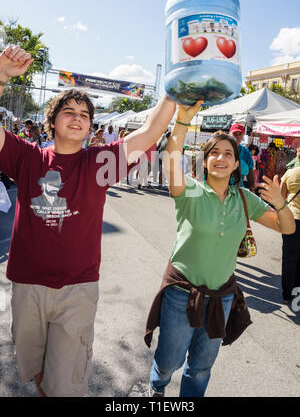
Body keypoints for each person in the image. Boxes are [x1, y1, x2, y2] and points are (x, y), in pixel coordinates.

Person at [0, 44, 177, 397]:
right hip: (27, 286)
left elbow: (150, 132)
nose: (78, 117)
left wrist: (174, 89)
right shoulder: (27, 157)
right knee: (37, 373)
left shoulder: (99, 164)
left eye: (85, 114)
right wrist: (3, 75)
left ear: (90, 126)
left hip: (77, 291)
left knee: (66, 385)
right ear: (53, 121)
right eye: (69, 111)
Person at [144, 104, 295, 398]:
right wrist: (183, 121)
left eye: (228, 153)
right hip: (181, 293)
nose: (221, 158)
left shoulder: (244, 197)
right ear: (205, 160)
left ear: (237, 164)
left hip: (222, 296)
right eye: (214, 152)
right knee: (169, 361)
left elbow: (286, 228)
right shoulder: (189, 190)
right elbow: (171, 162)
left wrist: (280, 202)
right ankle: (156, 387)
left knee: (201, 366)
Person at [280, 164, 300, 303]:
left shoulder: (290, 173)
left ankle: (287, 295)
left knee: (289, 257)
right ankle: (297, 290)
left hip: (292, 219)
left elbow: (281, 197)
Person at [229, 123, 254, 191]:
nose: (237, 136)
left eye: (240, 134)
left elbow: (250, 171)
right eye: (235, 134)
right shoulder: (223, 147)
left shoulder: (246, 152)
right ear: (229, 134)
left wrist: (252, 189)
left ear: (243, 135)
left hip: (238, 189)